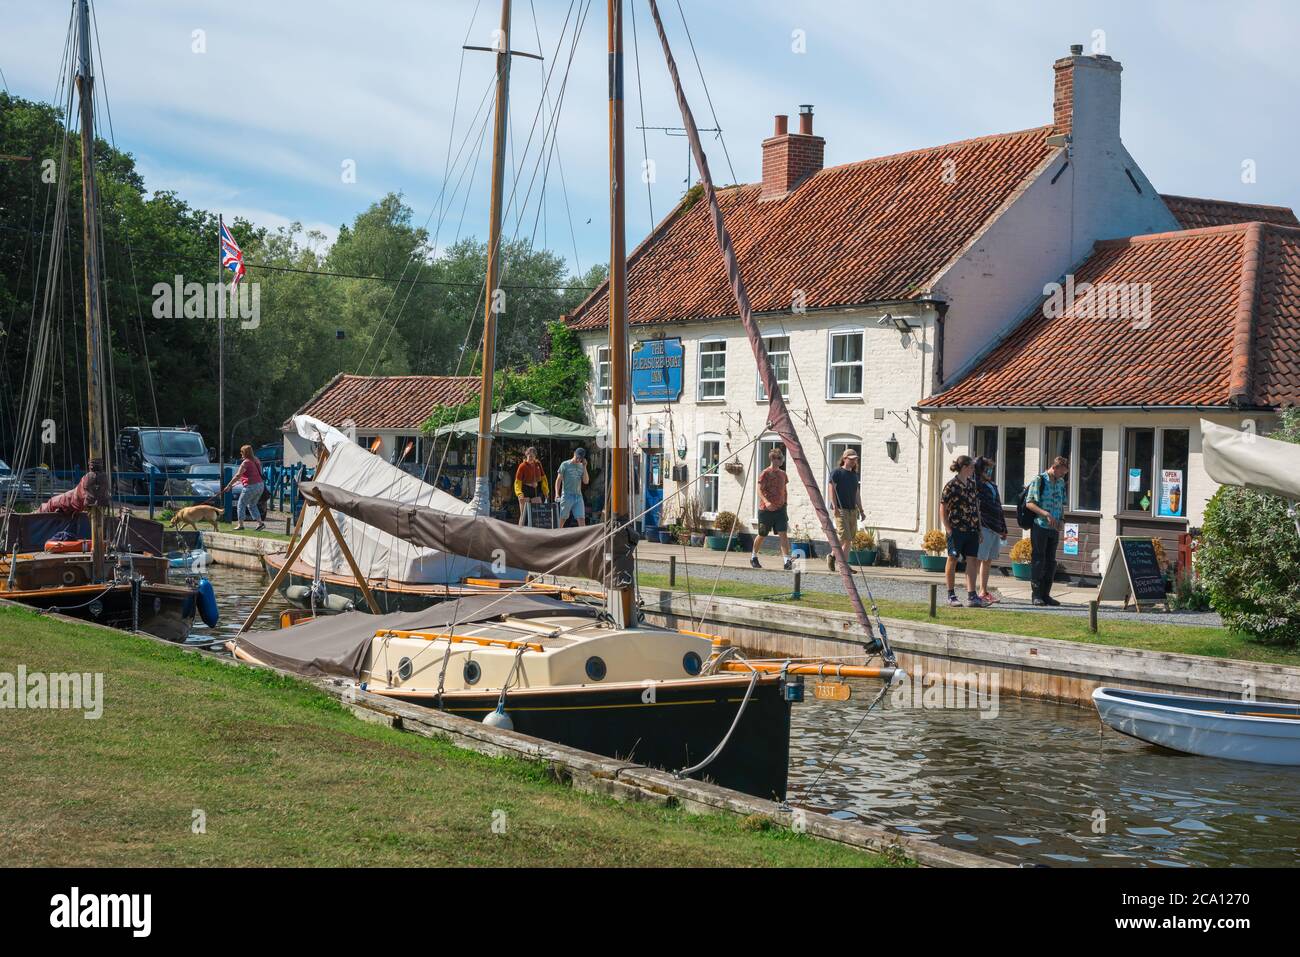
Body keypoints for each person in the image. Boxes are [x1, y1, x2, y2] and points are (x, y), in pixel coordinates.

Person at [940, 454, 984, 607]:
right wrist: (948, 528)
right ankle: (951, 595)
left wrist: (979, 528)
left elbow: (976, 506)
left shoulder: (972, 484)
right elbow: (943, 507)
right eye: (971, 467)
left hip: (972, 529)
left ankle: (972, 596)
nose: (973, 469)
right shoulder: (951, 485)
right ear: (965, 467)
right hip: (956, 528)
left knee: (972, 559)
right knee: (952, 558)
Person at [1026, 455, 1070, 606]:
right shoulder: (1039, 480)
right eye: (1061, 472)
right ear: (1055, 467)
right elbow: (1029, 503)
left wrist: (1062, 520)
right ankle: (1036, 595)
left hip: (1054, 527)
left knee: (1051, 562)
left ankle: (1046, 594)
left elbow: (1061, 504)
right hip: (1040, 525)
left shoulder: (1061, 482)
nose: (1062, 475)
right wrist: (1045, 513)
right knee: (1039, 559)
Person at [751, 447, 792, 570]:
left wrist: (785, 503)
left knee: (783, 534)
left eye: (782, 458)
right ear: (773, 459)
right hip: (766, 510)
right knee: (762, 534)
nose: (781, 461)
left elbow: (784, 490)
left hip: (780, 510)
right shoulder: (765, 473)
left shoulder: (783, 474)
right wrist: (766, 502)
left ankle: (787, 561)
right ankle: (753, 556)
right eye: (779, 458)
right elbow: (759, 490)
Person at [973, 456, 1007, 604]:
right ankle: (972, 592)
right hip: (984, 526)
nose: (990, 471)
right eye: (988, 468)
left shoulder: (993, 486)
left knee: (988, 560)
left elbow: (999, 507)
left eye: (991, 469)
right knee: (979, 559)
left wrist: (1003, 527)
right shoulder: (976, 484)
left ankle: (983, 591)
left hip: (995, 527)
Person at [826, 449, 864, 571]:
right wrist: (835, 507)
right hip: (841, 510)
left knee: (848, 539)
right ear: (844, 458)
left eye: (855, 459)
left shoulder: (854, 475)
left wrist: (861, 510)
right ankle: (843, 565)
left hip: (852, 510)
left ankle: (833, 556)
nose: (853, 461)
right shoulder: (837, 473)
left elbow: (856, 493)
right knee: (845, 538)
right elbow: (831, 489)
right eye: (851, 459)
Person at [223, 444, 265, 531]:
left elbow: (238, 475)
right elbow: (257, 473)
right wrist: (242, 481)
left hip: (251, 486)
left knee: (241, 504)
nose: (240, 453)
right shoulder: (256, 460)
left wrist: (229, 485)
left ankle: (240, 524)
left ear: (244, 453)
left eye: (242, 452)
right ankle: (260, 523)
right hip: (260, 485)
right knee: (252, 505)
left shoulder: (245, 462)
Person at [513, 447, 549, 526]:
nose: (531, 457)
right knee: (523, 514)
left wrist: (545, 490)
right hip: (525, 490)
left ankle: (536, 531)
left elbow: (543, 478)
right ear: (526, 455)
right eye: (529, 455)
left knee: (537, 512)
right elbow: (517, 482)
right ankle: (520, 531)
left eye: (532, 455)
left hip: (535, 490)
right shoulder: (522, 466)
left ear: (535, 456)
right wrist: (519, 493)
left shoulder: (538, 464)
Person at [555, 447, 589, 527]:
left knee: (581, 519)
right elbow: (558, 480)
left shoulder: (581, 466)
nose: (578, 459)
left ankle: (584, 538)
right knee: (562, 518)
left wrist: (584, 467)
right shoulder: (565, 464)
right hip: (567, 495)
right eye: (577, 457)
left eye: (580, 458)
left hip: (578, 496)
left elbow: (586, 481)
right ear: (574, 454)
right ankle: (556, 535)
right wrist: (557, 493)